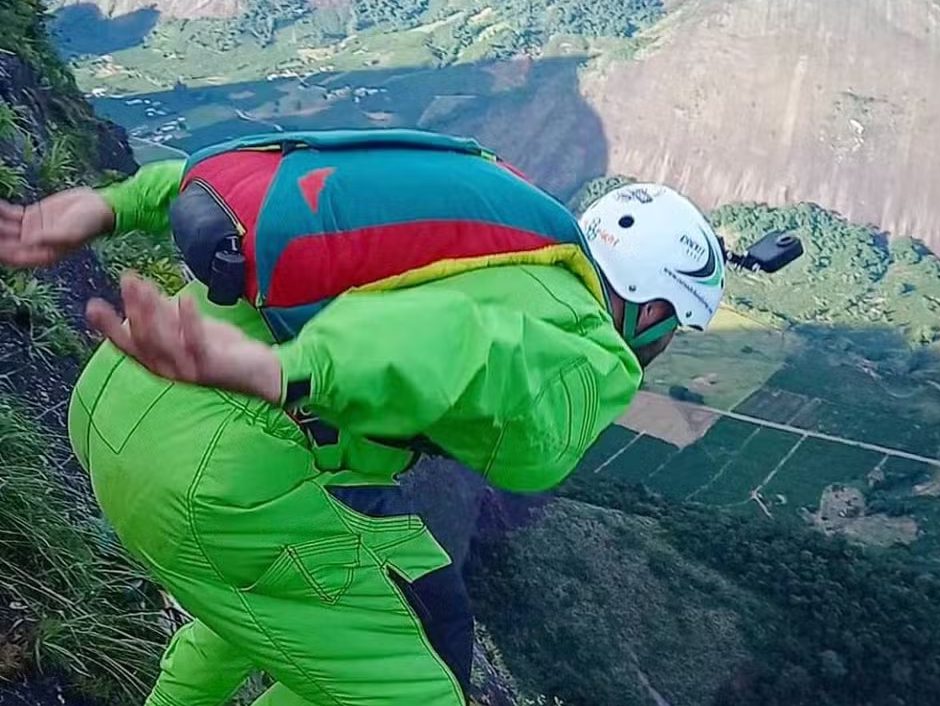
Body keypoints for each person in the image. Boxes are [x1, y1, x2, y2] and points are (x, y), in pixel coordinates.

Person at [0, 128, 725, 706]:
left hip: (111, 402)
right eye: (672, 331)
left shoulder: (504, 217)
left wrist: (116, 203)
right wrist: (279, 370)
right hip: (213, 477)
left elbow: (280, 171)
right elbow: (452, 346)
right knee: (420, 688)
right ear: (654, 311)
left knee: (325, 601)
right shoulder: (588, 342)